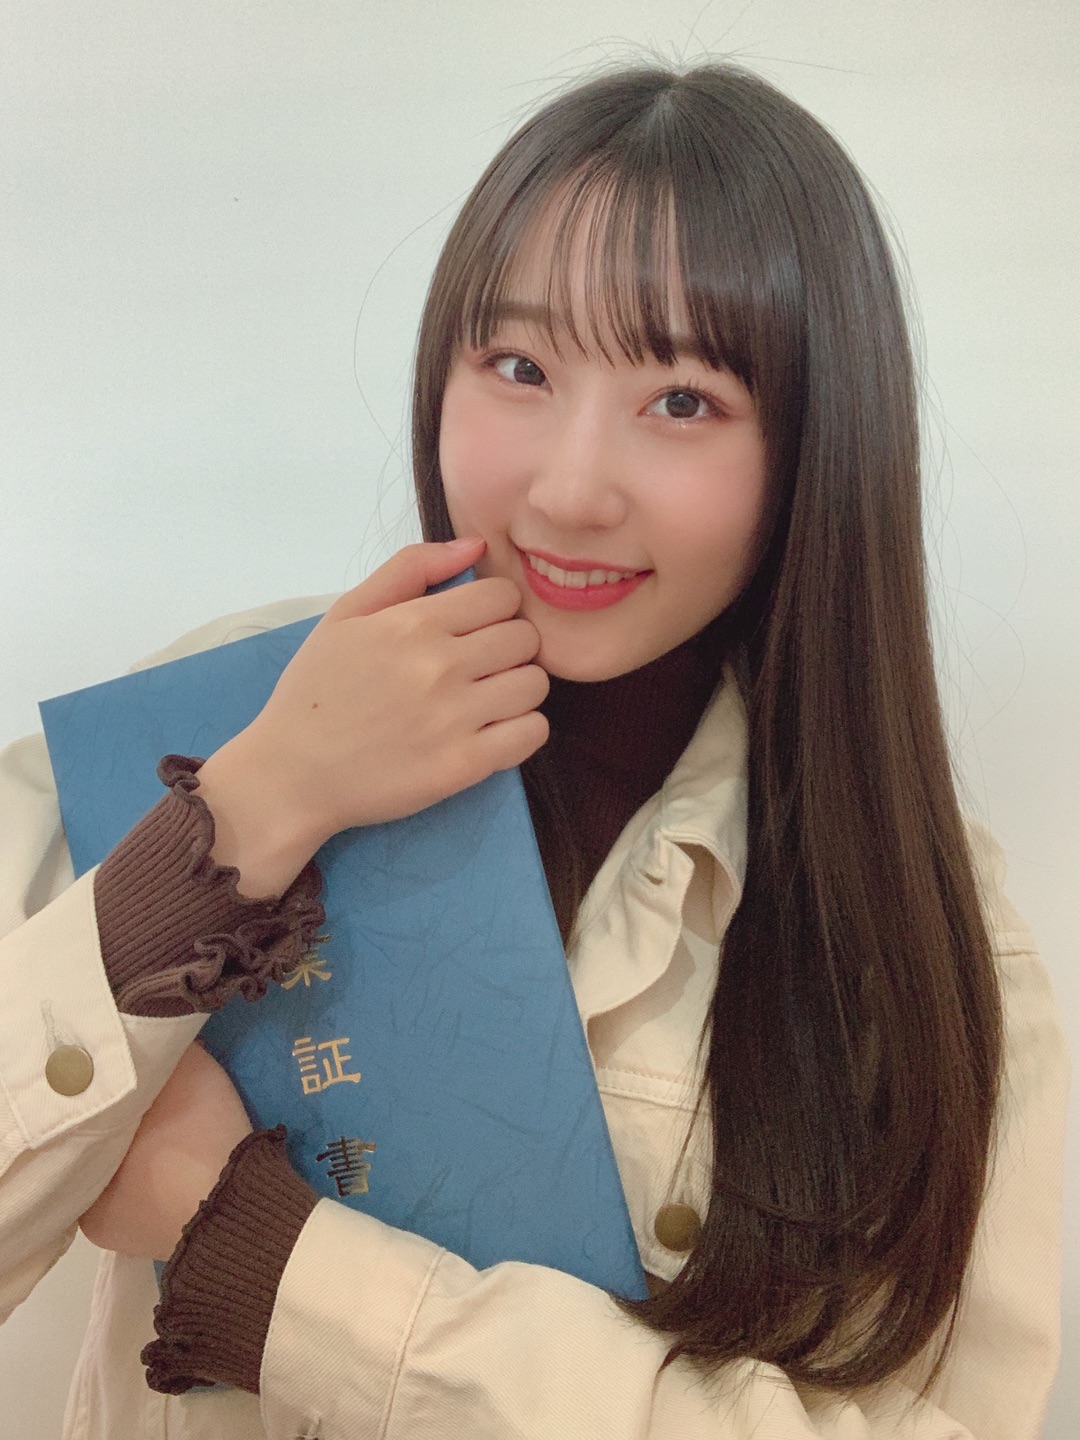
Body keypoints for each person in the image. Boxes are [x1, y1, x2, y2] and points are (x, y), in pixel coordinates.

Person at [0, 61, 1067, 1440]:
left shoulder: (922, 937)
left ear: (814, 444)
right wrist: (254, 810)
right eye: (519, 369)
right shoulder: (198, 729)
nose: (567, 489)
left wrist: (271, 1271)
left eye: (682, 401)